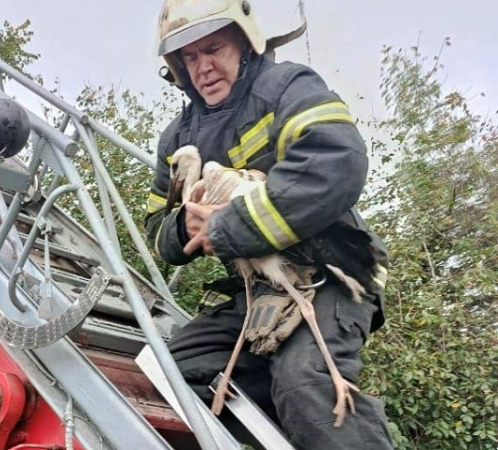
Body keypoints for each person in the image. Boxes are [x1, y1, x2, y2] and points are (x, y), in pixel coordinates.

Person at [143, 1, 395, 449]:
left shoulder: (286, 87)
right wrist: (184, 227)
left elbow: (336, 162)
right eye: (190, 56)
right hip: (256, 293)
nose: (204, 67)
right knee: (168, 373)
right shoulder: (177, 139)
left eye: (214, 48)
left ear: (244, 40)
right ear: (177, 66)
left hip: (329, 276)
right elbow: (156, 228)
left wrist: (228, 227)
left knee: (306, 385)